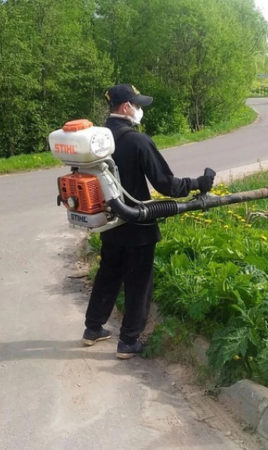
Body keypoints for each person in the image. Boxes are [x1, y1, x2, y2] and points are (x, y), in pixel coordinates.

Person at [81, 84, 215, 359]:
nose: (140, 110)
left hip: (109, 221)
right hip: (137, 223)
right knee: (139, 282)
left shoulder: (96, 141)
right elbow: (166, 184)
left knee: (108, 274)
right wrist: (198, 183)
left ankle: (92, 329)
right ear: (126, 107)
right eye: (138, 105)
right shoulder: (136, 140)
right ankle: (128, 341)